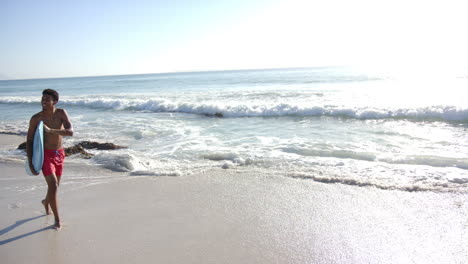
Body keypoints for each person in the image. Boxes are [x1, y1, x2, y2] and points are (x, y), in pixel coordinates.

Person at [26, 89, 73, 230]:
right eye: (42, 99)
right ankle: (57, 220)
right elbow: (29, 141)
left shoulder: (61, 113)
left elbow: (70, 132)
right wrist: (30, 162)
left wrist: (51, 130)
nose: (44, 102)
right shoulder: (36, 118)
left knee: (55, 187)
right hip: (45, 155)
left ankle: (45, 202)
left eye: (47, 99)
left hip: (59, 154)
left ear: (55, 102)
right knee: (53, 185)